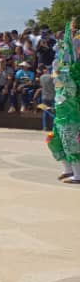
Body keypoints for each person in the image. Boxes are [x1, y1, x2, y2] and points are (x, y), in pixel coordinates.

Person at [48, 19, 80, 184]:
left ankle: (77, 174)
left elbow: (69, 87)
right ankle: (67, 169)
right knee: (54, 140)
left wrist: (62, 71)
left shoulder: (70, 84)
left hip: (70, 118)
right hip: (60, 117)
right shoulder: (60, 83)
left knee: (72, 144)